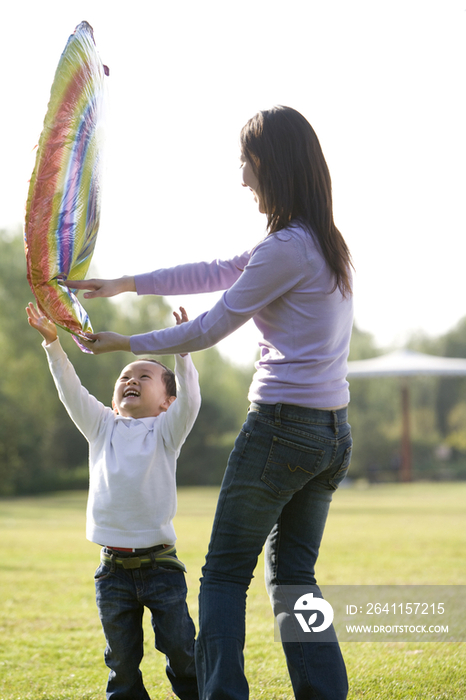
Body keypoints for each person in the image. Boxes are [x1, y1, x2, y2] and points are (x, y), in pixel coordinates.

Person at [70, 105, 354, 700]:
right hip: (331, 434)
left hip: (281, 429)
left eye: (247, 163)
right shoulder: (317, 243)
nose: (243, 177)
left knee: (223, 577)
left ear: (271, 165)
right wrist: (126, 282)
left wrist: (126, 341)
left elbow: (211, 326)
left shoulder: (287, 248)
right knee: (295, 575)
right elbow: (219, 270)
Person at [26, 302, 201, 700]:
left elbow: (191, 400)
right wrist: (53, 344)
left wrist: (184, 350)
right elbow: (72, 391)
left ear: (166, 402)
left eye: (144, 375)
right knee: (121, 660)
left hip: (161, 568)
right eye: (125, 376)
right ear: (114, 394)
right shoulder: (101, 426)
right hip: (112, 572)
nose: (131, 379)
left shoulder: (165, 432)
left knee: (180, 648)